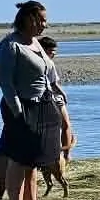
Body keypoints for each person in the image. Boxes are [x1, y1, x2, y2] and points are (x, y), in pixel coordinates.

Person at [0, 0, 62, 200]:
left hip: (42, 105)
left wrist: (55, 92)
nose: (45, 24)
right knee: (18, 160)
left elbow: (48, 71)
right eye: (41, 19)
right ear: (28, 18)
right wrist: (18, 112)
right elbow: (6, 83)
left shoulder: (35, 43)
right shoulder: (10, 46)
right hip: (22, 108)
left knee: (33, 161)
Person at [37, 35, 79, 165]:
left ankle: (62, 154)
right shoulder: (46, 62)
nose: (53, 54)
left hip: (47, 97)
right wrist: (63, 94)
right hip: (49, 97)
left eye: (54, 52)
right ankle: (65, 155)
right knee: (65, 124)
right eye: (51, 51)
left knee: (62, 125)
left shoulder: (42, 61)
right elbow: (54, 84)